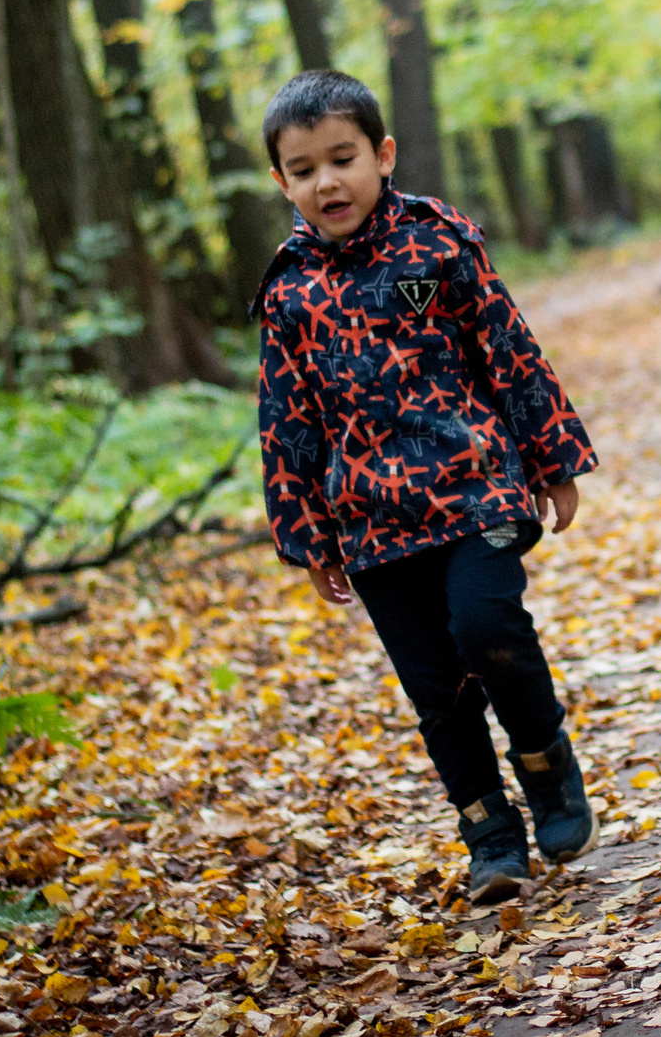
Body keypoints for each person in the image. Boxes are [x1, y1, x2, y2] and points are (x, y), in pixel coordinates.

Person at [252, 69, 599, 904]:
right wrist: (306, 535)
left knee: (487, 627)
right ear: (283, 183)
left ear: (383, 154)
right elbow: (286, 415)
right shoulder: (288, 287)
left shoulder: (437, 242)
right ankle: (491, 838)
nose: (327, 182)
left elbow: (507, 348)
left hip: (476, 488)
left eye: (343, 158)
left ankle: (546, 760)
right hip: (370, 524)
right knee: (436, 691)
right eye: (304, 170)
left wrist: (550, 454)